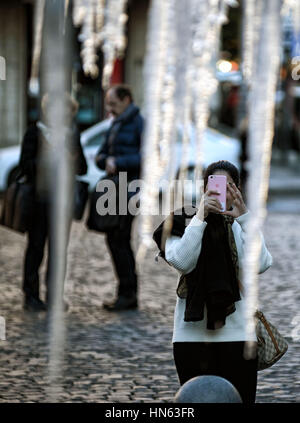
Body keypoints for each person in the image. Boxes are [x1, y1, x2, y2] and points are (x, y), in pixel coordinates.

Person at [153, 160, 273, 404]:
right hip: (191, 338)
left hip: (239, 336)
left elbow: (260, 264)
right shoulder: (183, 220)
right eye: (216, 186)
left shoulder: (241, 224)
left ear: (238, 189)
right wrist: (200, 217)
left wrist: (245, 219)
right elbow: (182, 261)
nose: (222, 191)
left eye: (230, 186)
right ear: (204, 189)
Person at [20, 93, 87, 312]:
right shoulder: (35, 132)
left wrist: (72, 158)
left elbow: (83, 168)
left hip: (63, 202)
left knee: (58, 251)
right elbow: (25, 165)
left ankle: (54, 297)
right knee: (36, 248)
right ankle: (30, 296)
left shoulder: (71, 135)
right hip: (40, 201)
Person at [95, 84, 144, 311]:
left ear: (126, 100)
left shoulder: (139, 123)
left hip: (131, 190)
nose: (110, 109)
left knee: (120, 239)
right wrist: (104, 160)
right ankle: (125, 292)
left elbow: (147, 157)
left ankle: (128, 294)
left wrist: (120, 162)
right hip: (113, 189)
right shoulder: (116, 123)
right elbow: (102, 152)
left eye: (113, 104)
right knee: (115, 239)